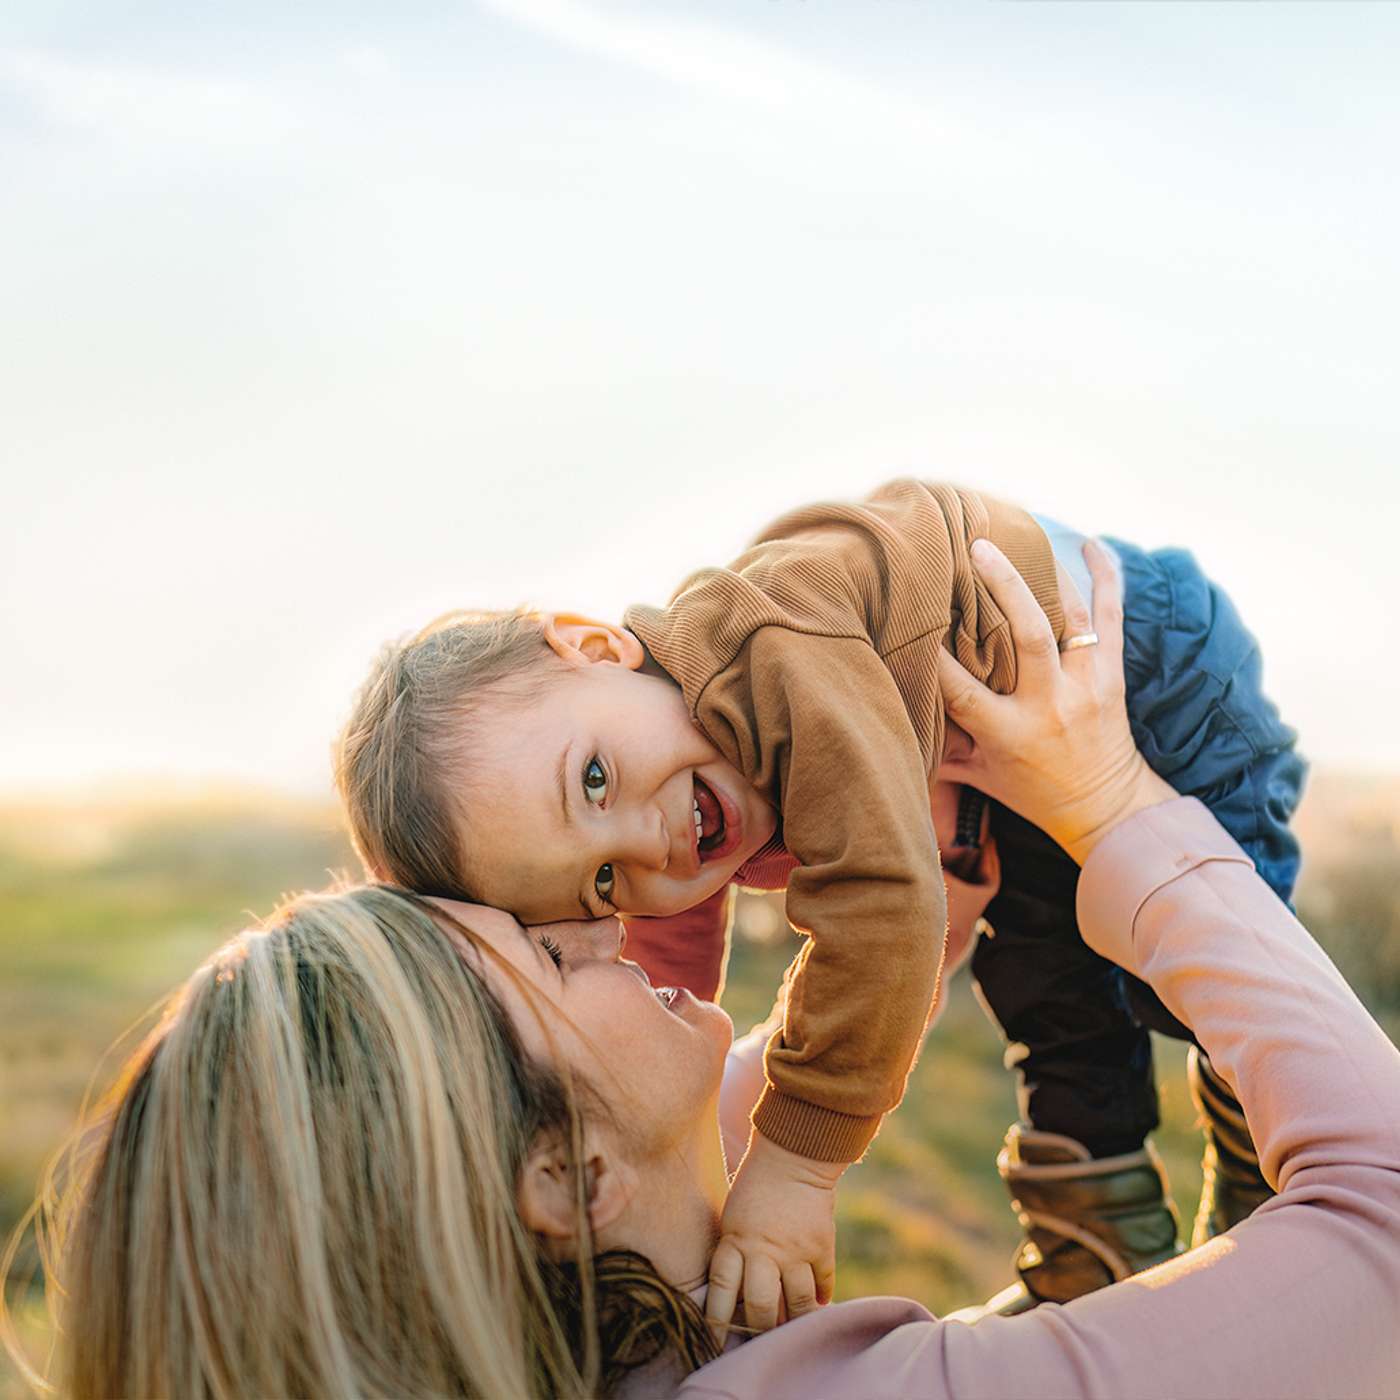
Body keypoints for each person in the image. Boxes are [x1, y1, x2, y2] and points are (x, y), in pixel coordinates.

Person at [9, 543, 1397, 1398]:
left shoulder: (616, 1332)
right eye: (560, 937)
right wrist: (1111, 809)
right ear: (554, 1181)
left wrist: (924, 930)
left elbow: (735, 1096)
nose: (618, 928)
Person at [335, 481, 1303, 1320]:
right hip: (1004, 760)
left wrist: (793, 1163)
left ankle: (1274, 1186)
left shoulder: (767, 654)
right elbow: (666, 958)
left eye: (590, 777)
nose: (646, 839)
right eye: (600, 882)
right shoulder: (679, 752)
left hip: (1146, 657)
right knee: (1045, 987)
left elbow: (886, 906)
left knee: (1200, 970)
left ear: (594, 646)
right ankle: (1094, 1241)